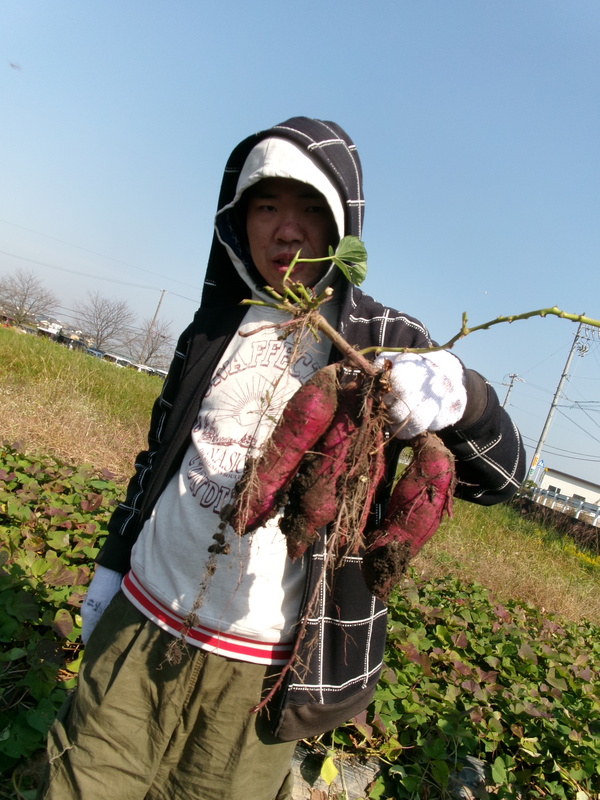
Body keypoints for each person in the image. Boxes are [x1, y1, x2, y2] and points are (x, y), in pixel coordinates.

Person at [40, 117, 526, 800]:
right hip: (140, 621)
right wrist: (110, 567)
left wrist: (465, 397)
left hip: (259, 670)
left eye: (309, 209)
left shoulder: (389, 345)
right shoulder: (213, 327)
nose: (286, 230)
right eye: (265, 206)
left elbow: (503, 479)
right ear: (238, 220)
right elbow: (156, 460)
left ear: (341, 226)